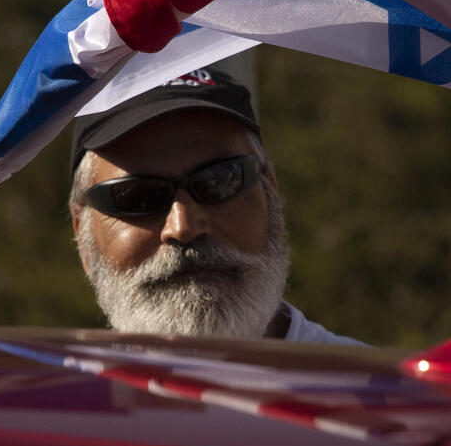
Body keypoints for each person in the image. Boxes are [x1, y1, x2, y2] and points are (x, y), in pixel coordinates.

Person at [68, 67, 359, 344]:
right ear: (82, 235)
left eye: (220, 180)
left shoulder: (382, 392)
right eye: (136, 197)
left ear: (271, 193)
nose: (183, 227)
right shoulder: (49, 396)